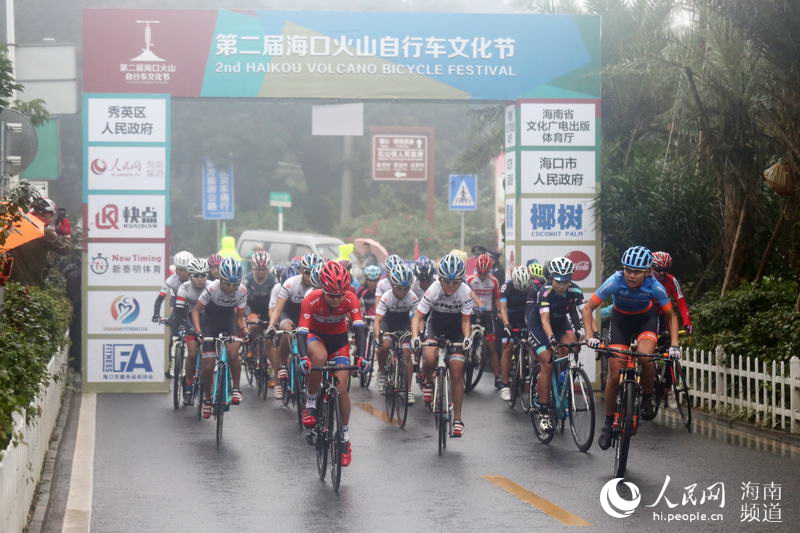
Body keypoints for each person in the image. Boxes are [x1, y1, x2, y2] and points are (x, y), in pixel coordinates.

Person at [582, 246, 681, 450]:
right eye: (627, 270)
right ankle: (608, 423)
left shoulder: (655, 286)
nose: (631, 275)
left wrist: (674, 345)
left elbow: (671, 316)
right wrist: (590, 336)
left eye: (637, 271)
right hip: (620, 322)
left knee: (645, 357)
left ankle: (646, 397)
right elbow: (588, 308)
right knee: (615, 374)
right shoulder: (615, 280)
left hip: (646, 320)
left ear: (647, 272)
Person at [297, 261, 368, 467]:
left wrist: (361, 357)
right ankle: (311, 402)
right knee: (318, 358)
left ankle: (344, 437)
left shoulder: (351, 298)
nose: (337, 300)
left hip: (339, 342)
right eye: (331, 296)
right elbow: (301, 332)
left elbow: (359, 328)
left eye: (340, 295)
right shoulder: (311, 299)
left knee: (341, 389)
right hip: (315, 337)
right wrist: (304, 358)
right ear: (322, 289)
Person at [411, 253, 473, 438]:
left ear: (461, 280)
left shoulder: (466, 291)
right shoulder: (434, 289)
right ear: (440, 279)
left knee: (456, 371)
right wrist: (415, 337)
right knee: (429, 358)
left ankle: (457, 419)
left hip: (456, 329)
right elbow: (418, 316)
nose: (451, 286)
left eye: (456, 282)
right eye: (447, 281)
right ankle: (429, 382)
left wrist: (467, 337)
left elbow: (466, 321)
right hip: (435, 326)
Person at [191, 257, 248, 418]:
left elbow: (239, 317)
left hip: (229, 321)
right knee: (208, 367)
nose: (231, 288)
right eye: (227, 284)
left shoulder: (242, 290)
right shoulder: (211, 288)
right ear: (220, 279)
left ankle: (236, 389)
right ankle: (207, 398)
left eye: (235, 284)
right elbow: (196, 311)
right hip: (210, 322)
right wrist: (198, 332)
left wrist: (245, 331)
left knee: (233, 353)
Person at [535, 257, 585, 430]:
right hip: (540, 325)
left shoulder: (575, 290)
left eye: (566, 281)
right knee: (548, 362)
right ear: (550, 278)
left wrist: (589, 333)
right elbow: (544, 320)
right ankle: (543, 411)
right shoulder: (545, 291)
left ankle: (563, 381)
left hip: (561, 323)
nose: (562, 285)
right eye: (558, 281)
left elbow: (585, 313)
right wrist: (550, 337)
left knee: (573, 347)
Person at [267, 253, 323, 389]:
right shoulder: (290, 283)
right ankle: (283, 365)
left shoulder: (322, 284)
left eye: (314, 272)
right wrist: (271, 326)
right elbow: (278, 309)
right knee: (288, 332)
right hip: (289, 313)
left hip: (309, 315)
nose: (311, 276)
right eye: (307, 272)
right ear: (301, 270)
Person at [374, 263, 419, 400]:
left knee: (407, 353)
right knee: (385, 346)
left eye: (406, 288)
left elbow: (417, 318)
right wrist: (378, 336)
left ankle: (408, 390)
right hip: (387, 323)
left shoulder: (412, 297)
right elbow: (377, 320)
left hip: (403, 324)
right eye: (399, 288)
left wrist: (417, 335)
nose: (403, 292)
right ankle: (382, 371)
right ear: (393, 285)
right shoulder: (386, 297)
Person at [8, 197, 71, 287]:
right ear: (47, 214)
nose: (51, 219)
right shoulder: (43, 232)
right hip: (31, 285)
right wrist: (66, 235)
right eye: (51, 216)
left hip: (11, 284)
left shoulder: (17, 225)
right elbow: (65, 249)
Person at [173, 258, 210, 404]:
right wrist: (183, 326)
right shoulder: (184, 288)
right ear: (190, 276)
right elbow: (179, 312)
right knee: (192, 353)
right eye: (196, 275)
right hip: (189, 319)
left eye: (203, 275)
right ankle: (188, 385)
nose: (200, 279)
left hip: (208, 319)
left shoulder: (212, 286)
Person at [243, 250, 280, 396]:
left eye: (264, 269)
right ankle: (249, 345)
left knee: (269, 340)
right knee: (253, 324)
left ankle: (271, 371)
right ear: (253, 268)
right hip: (251, 308)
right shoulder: (247, 280)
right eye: (258, 269)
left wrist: (274, 319)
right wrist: (248, 315)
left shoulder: (273, 280)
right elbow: (243, 300)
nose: (261, 272)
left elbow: (277, 300)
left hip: (267, 309)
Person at [466, 253, 502, 389]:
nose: (482, 275)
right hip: (471, 313)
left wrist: (499, 312)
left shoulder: (494, 281)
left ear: (489, 270)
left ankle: (497, 378)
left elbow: (497, 299)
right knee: (464, 340)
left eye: (485, 272)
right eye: (480, 272)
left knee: (492, 347)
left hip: (487, 315)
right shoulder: (470, 280)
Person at [497, 266, 533, 402]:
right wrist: (506, 324)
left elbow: (533, 308)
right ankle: (505, 385)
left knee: (531, 345)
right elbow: (503, 308)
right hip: (509, 318)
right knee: (508, 348)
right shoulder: (506, 287)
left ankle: (529, 376)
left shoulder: (531, 288)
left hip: (523, 318)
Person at [651, 251, 694, 336]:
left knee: (666, 337)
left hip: (662, 314)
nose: (662, 273)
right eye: (658, 270)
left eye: (665, 270)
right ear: (651, 268)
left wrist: (687, 322)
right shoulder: (644, 278)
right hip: (644, 313)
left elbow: (681, 303)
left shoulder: (672, 281)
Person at [152, 250, 194, 326]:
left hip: (194, 306)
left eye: (186, 269)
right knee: (174, 324)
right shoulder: (171, 280)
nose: (183, 272)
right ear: (176, 269)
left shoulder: (196, 279)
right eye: (180, 269)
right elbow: (160, 299)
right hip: (179, 305)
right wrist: (156, 314)